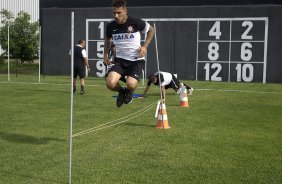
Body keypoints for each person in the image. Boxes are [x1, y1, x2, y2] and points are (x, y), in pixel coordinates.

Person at [103, 0, 155, 107]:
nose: (116, 16)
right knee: (110, 83)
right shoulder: (111, 26)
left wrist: (145, 46)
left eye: (119, 13)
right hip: (120, 61)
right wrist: (105, 55)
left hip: (136, 60)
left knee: (131, 84)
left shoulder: (135, 22)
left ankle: (130, 91)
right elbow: (107, 40)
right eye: (114, 13)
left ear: (125, 11)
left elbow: (152, 30)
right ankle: (122, 92)